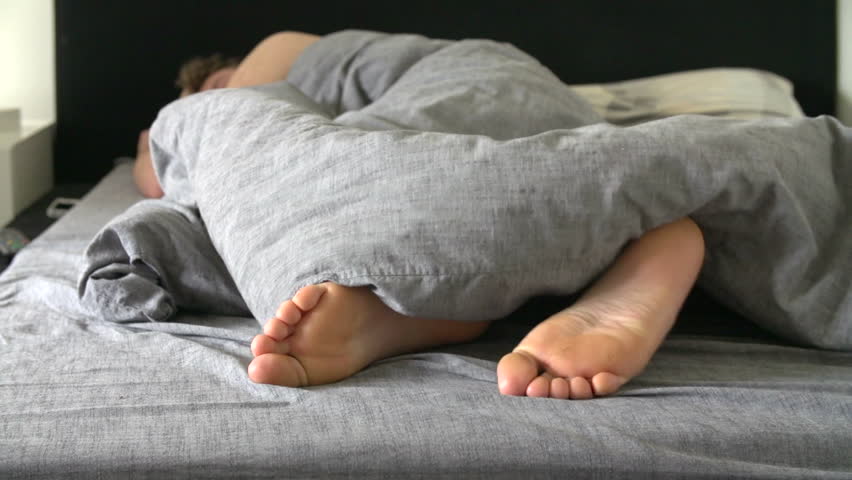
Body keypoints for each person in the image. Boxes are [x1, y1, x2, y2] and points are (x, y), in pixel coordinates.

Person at [140, 31, 705, 400]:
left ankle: (412, 289)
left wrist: (166, 130)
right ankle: (638, 246)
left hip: (470, 85)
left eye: (206, 88)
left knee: (306, 167)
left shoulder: (277, 53)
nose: (205, 100)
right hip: (560, 129)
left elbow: (187, 162)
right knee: (552, 186)